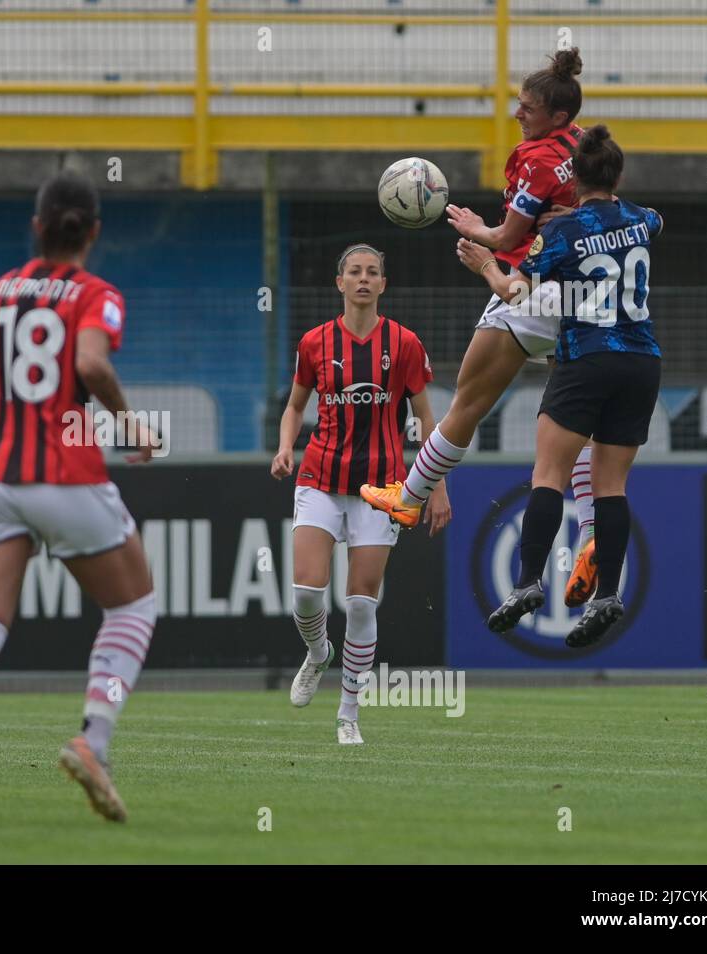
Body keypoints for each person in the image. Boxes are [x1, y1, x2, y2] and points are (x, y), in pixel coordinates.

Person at [0, 171, 158, 826]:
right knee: (134, 605)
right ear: (93, 232)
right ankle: (92, 742)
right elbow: (94, 367)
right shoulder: (94, 294)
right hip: (65, 476)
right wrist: (129, 423)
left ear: (37, 227)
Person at [362, 47, 600, 607]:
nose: (518, 114)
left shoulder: (536, 157)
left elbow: (508, 234)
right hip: (588, 297)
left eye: (527, 108)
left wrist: (478, 231)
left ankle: (411, 495)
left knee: (466, 403)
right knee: (576, 429)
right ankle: (591, 533)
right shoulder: (583, 142)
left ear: (555, 117)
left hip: (533, 290)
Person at [461, 126, 662, 647]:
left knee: (548, 473)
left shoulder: (562, 232)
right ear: (618, 175)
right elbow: (654, 222)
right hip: (641, 362)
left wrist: (485, 263)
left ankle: (528, 583)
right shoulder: (644, 220)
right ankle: (608, 594)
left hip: (587, 358)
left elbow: (514, 291)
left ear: (574, 182)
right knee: (611, 487)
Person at [272, 244, 451, 744]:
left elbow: (427, 421)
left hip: (383, 488)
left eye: (373, 271)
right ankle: (317, 653)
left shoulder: (405, 344)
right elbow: (294, 406)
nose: (364, 279)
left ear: (383, 284)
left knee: (361, 604)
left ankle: (348, 714)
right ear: (340, 283)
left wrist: (435, 484)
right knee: (307, 592)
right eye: (355, 272)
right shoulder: (314, 343)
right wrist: (286, 446)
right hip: (319, 478)